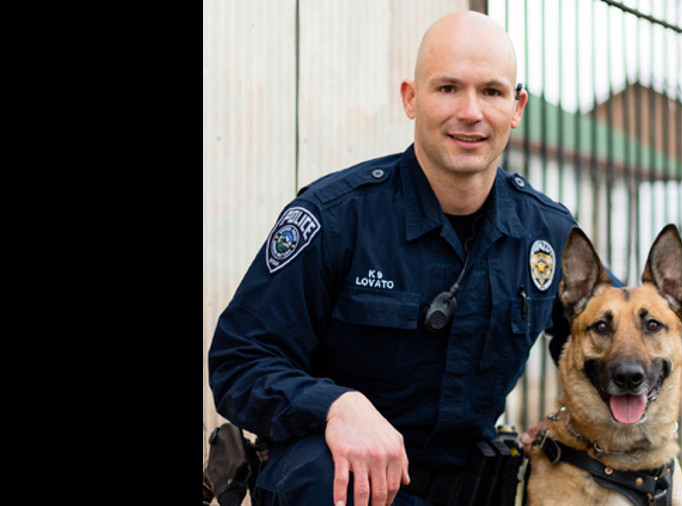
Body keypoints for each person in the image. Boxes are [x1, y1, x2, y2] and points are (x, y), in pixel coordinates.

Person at [208, 10, 621, 506]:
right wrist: (337, 406)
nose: (470, 111)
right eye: (447, 88)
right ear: (411, 98)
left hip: (470, 488)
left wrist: (570, 421)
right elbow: (241, 361)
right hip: (343, 487)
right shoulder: (336, 217)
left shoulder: (547, 233)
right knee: (321, 476)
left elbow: (611, 332)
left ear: (517, 106)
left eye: (491, 92)